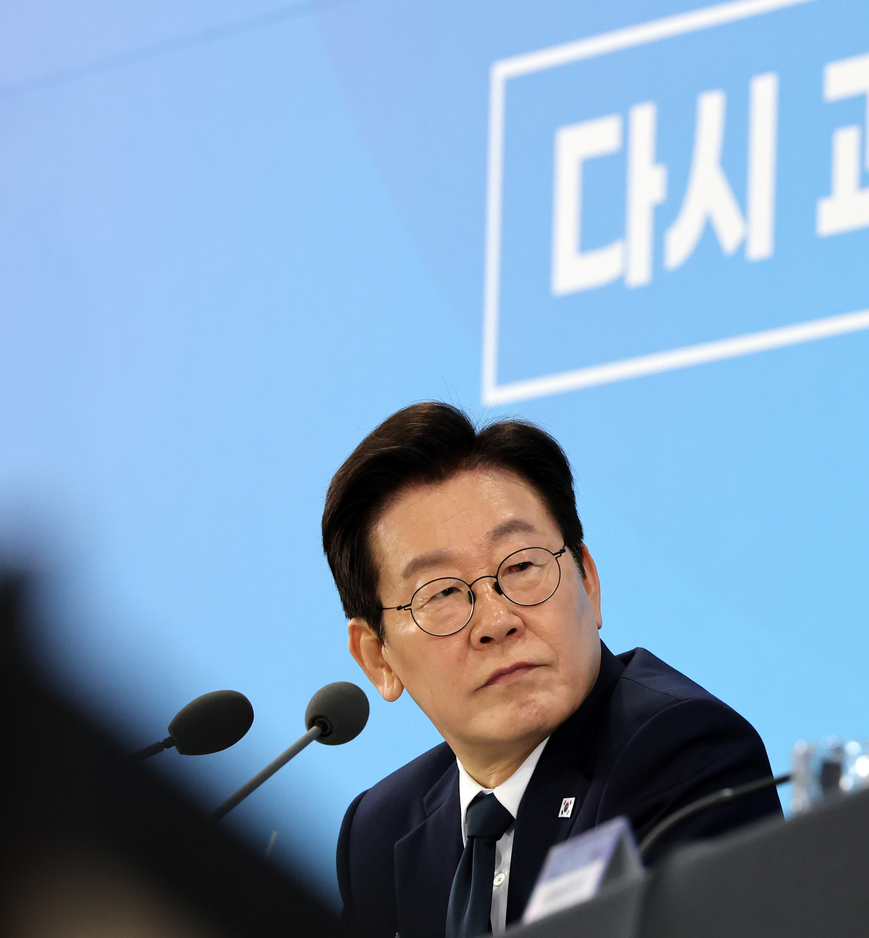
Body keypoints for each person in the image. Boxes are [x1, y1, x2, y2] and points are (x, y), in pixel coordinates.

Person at [323, 402, 780, 938]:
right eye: (443, 592)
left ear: (588, 581)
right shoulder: (378, 831)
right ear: (378, 657)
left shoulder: (680, 752)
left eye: (521, 566)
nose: (496, 621)